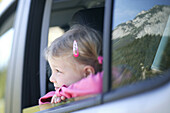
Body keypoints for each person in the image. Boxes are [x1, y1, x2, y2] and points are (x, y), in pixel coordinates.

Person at [39, 24, 103, 105]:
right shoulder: (63, 93)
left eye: (58, 71)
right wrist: (56, 96)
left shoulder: (107, 79)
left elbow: (97, 84)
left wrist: (63, 93)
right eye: (52, 71)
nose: (51, 78)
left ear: (87, 73)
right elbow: (45, 101)